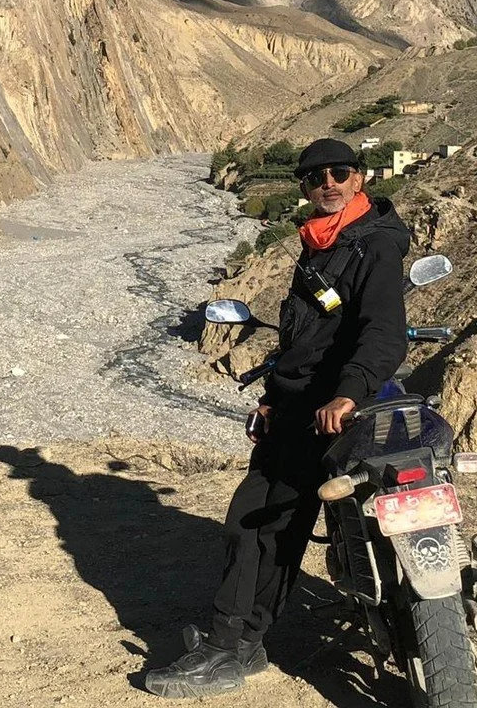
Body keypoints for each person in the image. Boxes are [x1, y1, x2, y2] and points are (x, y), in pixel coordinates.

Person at [145, 137, 410, 699]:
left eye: (340, 172)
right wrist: (272, 396)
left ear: (359, 178)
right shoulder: (322, 244)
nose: (329, 183)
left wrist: (347, 394)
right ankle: (246, 640)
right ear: (304, 188)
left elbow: (381, 331)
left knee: (254, 519)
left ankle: (226, 646)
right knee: (278, 528)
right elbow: (306, 337)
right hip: (298, 405)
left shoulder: (372, 246)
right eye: (316, 177)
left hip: (329, 411)